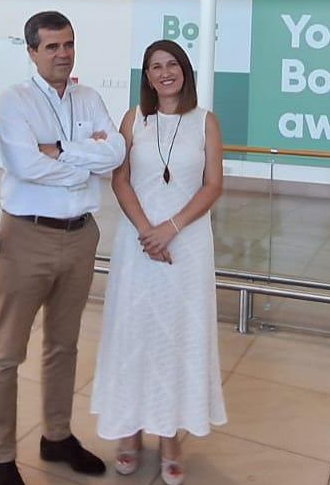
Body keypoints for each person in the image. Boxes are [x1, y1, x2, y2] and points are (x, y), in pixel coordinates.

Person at [0, 11, 125, 485]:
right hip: (27, 236)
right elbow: (25, 166)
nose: (62, 54)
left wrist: (60, 150)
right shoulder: (14, 101)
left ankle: (57, 436)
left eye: (68, 44)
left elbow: (117, 153)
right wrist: (87, 158)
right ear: (31, 52)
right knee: (7, 351)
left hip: (81, 236)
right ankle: (0, 456)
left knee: (64, 345)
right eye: (51, 47)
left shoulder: (89, 97)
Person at [90, 40, 226, 485]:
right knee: (134, 332)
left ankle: (170, 437)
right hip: (138, 241)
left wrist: (170, 227)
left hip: (186, 244)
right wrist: (148, 229)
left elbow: (212, 185)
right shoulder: (134, 119)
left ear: (184, 71)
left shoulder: (206, 121)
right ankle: (128, 432)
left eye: (172, 65)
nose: (165, 73)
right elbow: (121, 178)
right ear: (146, 76)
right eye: (155, 67)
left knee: (178, 337)